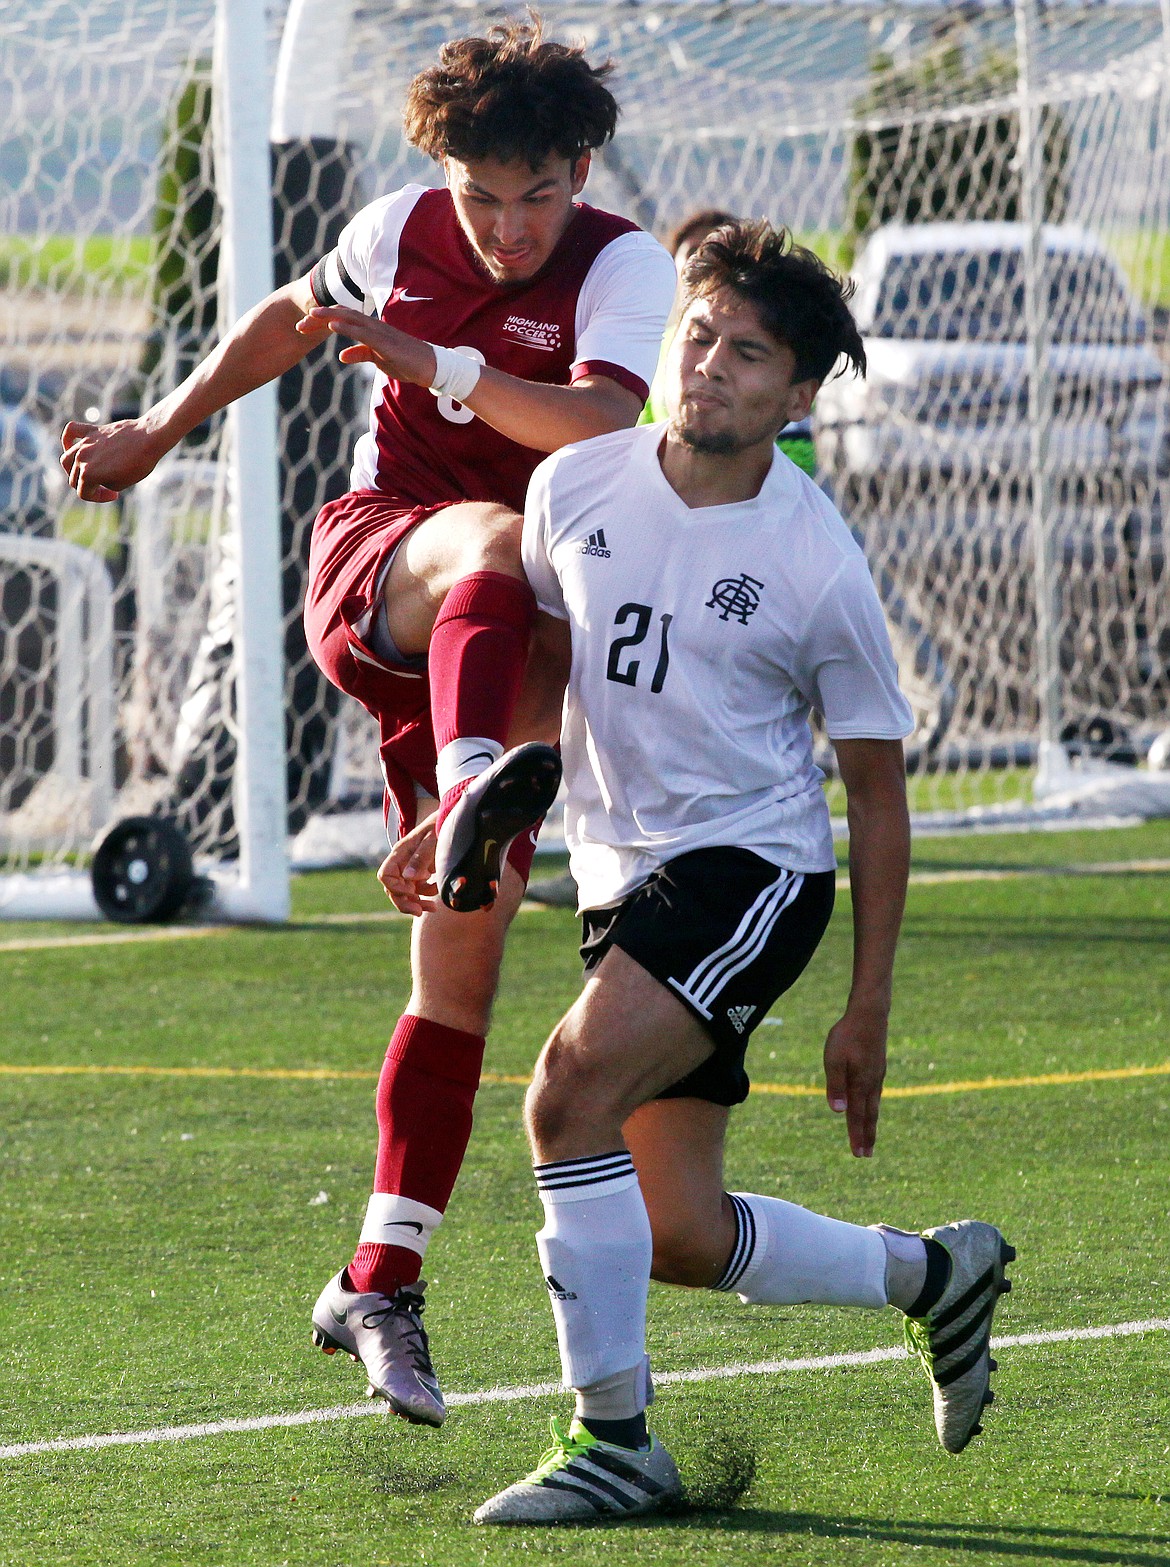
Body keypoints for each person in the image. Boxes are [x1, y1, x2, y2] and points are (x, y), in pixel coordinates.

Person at [59, 19, 676, 1430]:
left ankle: (378, 1273)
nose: (510, 228)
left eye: (537, 196)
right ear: (441, 174)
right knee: (489, 540)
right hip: (389, 563)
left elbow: (593, 420)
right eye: (483, 197)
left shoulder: (624, 264)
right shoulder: (398, 227)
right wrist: (160, 427)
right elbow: (295, 319)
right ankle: (470, 787)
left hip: (521, 640)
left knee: (460, 969)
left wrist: (432, 360)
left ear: (578, 170)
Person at [448, 220, 1010, 1523]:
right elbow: (540, 677)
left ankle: (613, 1442)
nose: (705, 366)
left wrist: (864, 1003)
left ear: (796, 392)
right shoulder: (573, 485)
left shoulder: (815, 558)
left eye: (744, 353)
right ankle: (935, 1274)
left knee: (563, 1093)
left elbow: (874, 792)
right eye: (696, 334)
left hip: (749, 866)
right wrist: (468, 812)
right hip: (616, 875)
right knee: (678, 1231)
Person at [640, 207, 819, 477]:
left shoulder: (781, 345)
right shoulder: (654, 345)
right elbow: (638, 431)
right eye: (694, 252)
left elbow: (797, 454)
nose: (709, 365)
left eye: (746, 353)